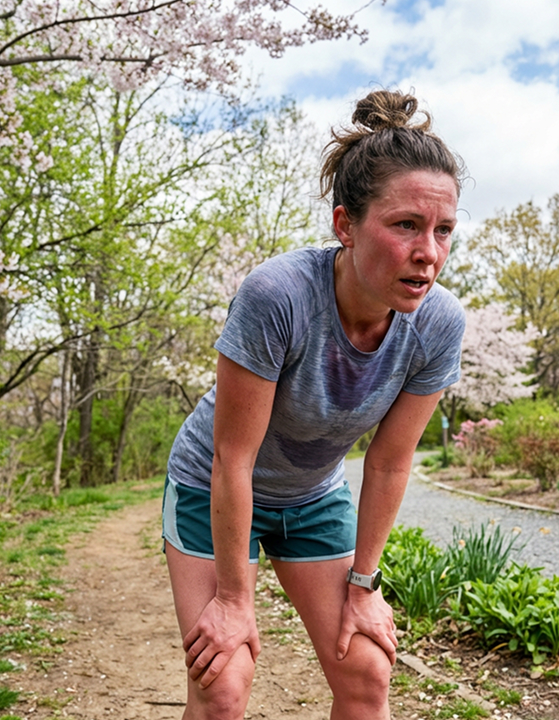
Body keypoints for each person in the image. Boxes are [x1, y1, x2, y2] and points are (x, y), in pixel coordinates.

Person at [161, 89, 467, 720]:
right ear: (345, 225)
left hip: (311, 495)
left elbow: (386, 464)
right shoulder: (279, 296)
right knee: (222, 681)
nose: (428, 253)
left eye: (442, 231)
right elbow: (232, 457)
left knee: (366, 670)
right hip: (212, 485)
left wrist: (363, 587)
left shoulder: (438, 325)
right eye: (405, 224)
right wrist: (232, 598)